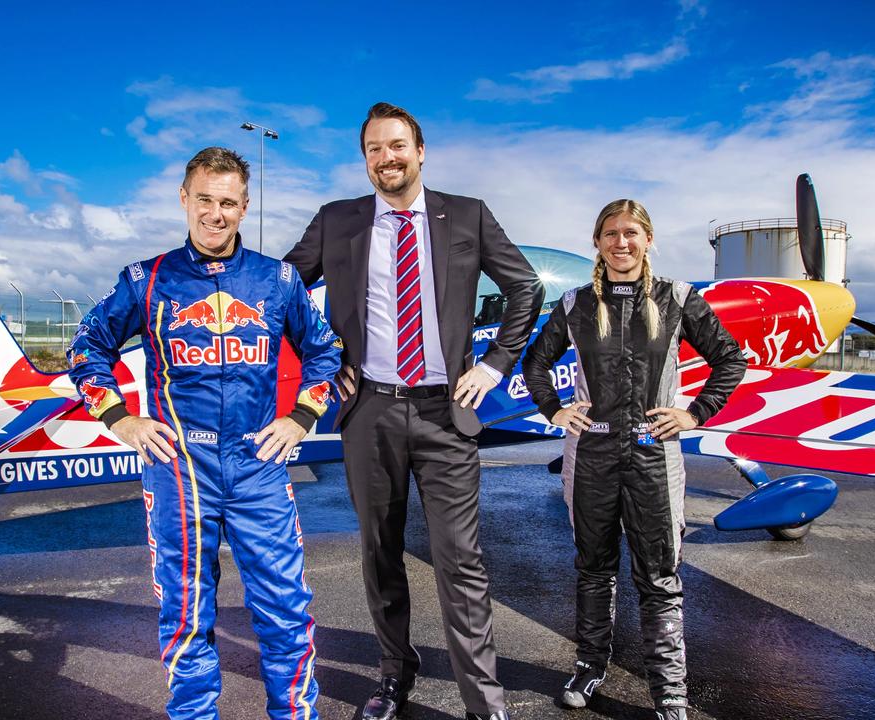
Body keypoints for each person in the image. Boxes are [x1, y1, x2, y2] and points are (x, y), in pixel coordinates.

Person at [284, 102, 544, 720]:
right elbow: (282, 292)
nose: (386, 158)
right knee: (379, 553)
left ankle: (483, 700)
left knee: (462, 560)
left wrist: (493, 365)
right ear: (364, 158)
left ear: (420, 151)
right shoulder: (338, 220)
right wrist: (324, 361)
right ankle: (395, 677)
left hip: (446, 413)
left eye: (397, 145)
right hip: (368, 411)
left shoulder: (468, 216)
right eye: (374, 148)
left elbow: (525, 287)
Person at [68, 146, 341, 719]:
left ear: (245, 208)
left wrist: (300, 417)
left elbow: (325, 354)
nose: (215, 215)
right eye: (204, 201)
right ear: (184, 200)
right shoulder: (146, 279)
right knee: (187, 615)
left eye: (228, 203)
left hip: (257, 468)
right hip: (180, 468)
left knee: (286, 611)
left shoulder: (279, 280)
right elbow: (86, 347)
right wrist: (120, 417)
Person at [521, 199, 746, 720]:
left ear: (649, 239)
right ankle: (589, 664)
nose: (621, 243)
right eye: (610, 234)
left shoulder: (678, 299)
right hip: (592, 458)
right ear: (597, 243)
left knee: (660, 575)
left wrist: (696, 413)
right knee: (593, 569)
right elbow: (536, 361)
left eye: (631, 233)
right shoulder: (576, 303)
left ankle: (669, 688)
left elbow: (729, 359)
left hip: (653, 458)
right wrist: (555, 410)